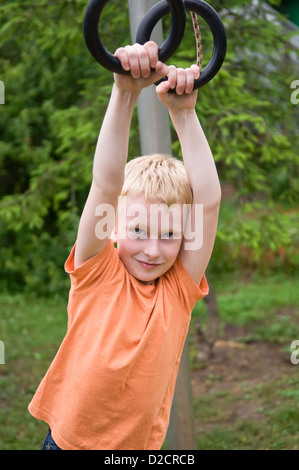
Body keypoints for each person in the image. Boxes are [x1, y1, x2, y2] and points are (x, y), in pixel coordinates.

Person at [28, 41, 221, 450]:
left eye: (170, 235)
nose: (153, 249)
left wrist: (184, 116)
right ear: (111, 225)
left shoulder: (177, 290)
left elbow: (207, 201)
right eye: (139, 231)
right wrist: (124, 92)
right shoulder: (97, 271)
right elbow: (106, 183)